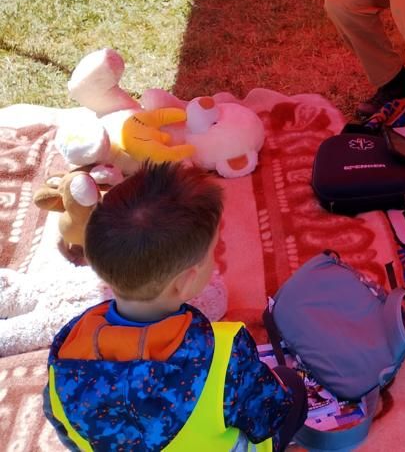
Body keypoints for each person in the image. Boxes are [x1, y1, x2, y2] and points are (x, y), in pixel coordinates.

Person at [43, 162, 307, 451]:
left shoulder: (66, 351)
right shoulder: (225, 352)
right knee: (290, 384)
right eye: (214, 251)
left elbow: (67, 432)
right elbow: (267, 416)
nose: (218, 258)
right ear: (184, 282)